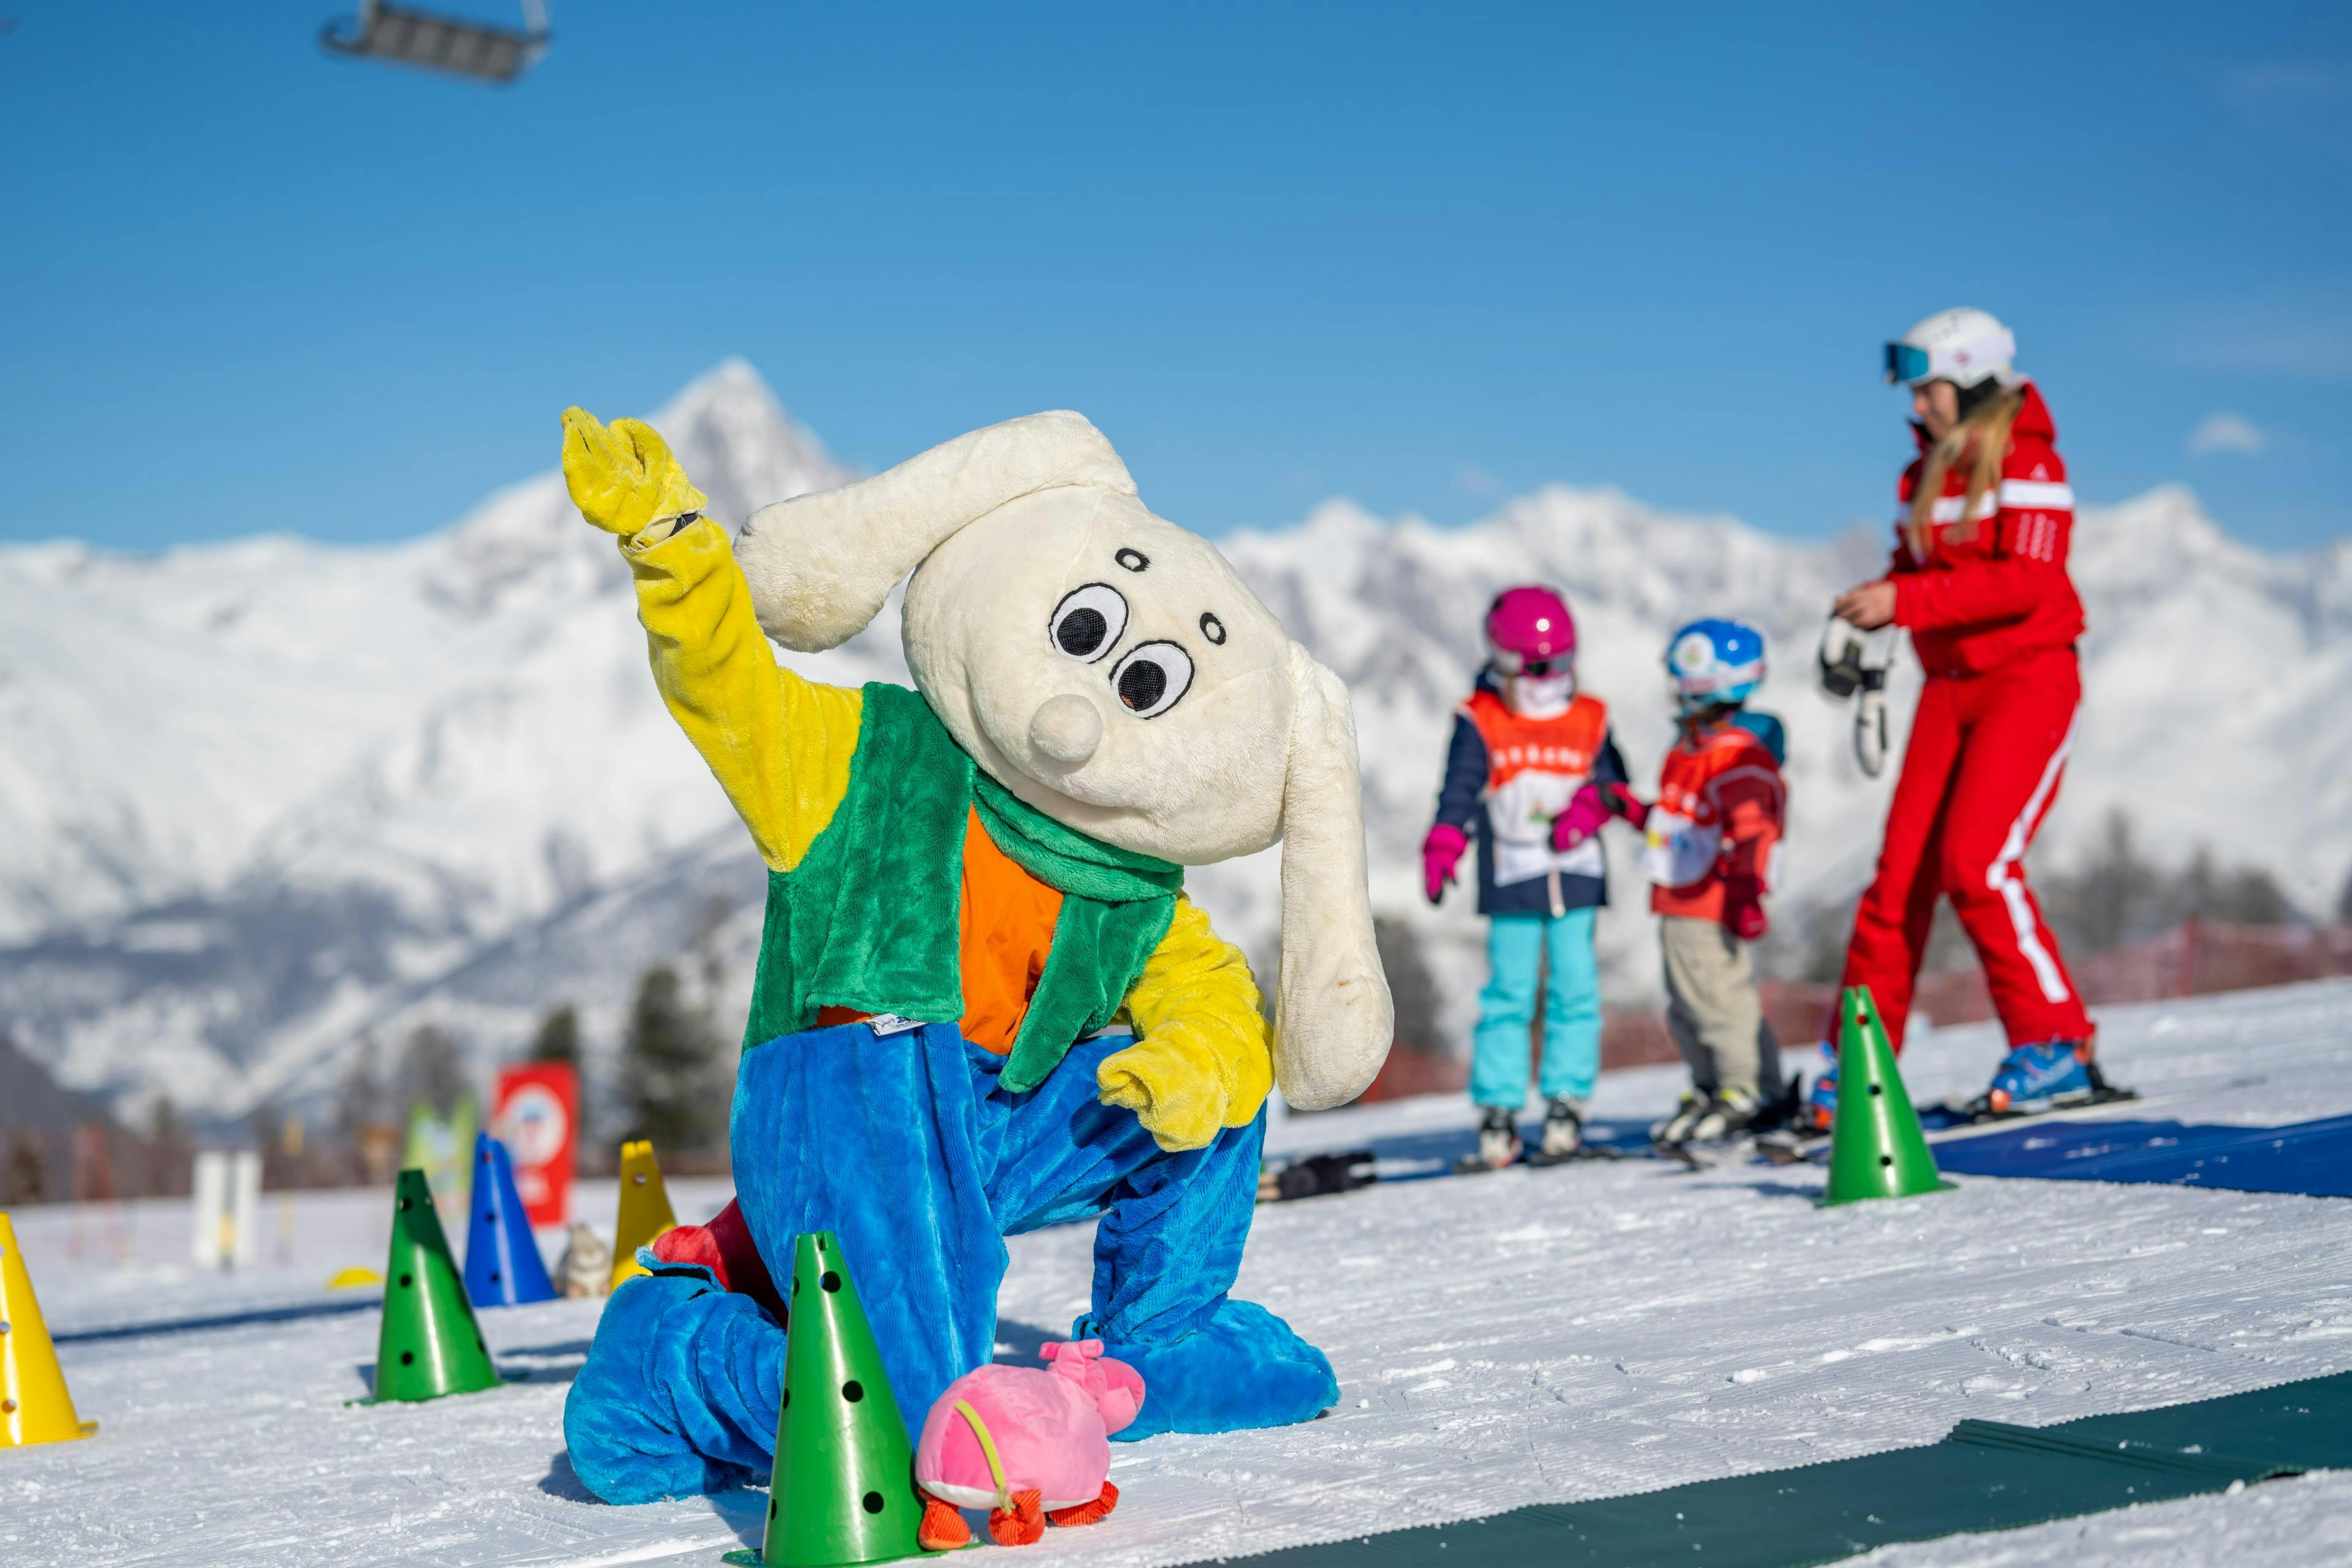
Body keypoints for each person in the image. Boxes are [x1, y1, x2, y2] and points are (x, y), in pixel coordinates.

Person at [1812, 307, 2105, 1129]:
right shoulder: (1925, 472)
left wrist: (1902, 599)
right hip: (1948, 688)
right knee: (1896, 880)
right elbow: (1915, 570)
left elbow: (2029, 584)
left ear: (1972, 377)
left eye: (1929, 386)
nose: (1918, 404)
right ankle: (1858, 1061)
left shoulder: (2029, 460)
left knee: (1978, 865)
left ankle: (2057, 1043)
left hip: (2027, 681)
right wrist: (1865, 618)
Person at [1423, 586, 1630, 1167]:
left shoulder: (1590, 715)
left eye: (1564, 662)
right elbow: (1459, 788)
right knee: (1508, 995)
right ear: (1507, 662)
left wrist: (1591, 809)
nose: (1553, 676)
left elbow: (1614, 784)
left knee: (1576, 992)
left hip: (1578, 876)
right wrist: (1445, 843)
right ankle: (1499, 1109)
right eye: (1541, 666)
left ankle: (1566, 1103)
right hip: (1512, 878)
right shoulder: (1482, 718)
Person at [1591, 620, 1790, 1145]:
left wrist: (1747, 892)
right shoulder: (1691, 748)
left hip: (1711, 900)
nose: (1675, 689)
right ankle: (1714, 1085)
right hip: (1678, 897)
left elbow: (1755, 830)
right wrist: (1637, 812)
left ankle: (1744, 1088)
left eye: (1682, 678)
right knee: (1688, 1006)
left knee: (1718, 999)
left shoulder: (1735, 755)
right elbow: (1685, 821)